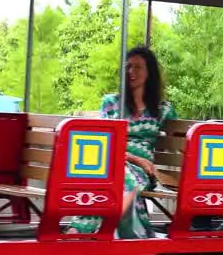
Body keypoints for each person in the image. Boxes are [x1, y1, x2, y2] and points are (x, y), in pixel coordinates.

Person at [68, 47, 176, 239]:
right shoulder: (111, 103)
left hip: (143, 171)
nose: (131, 72)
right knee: (111, 176)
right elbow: (105, 143)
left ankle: (83, 230)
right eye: (128, 67)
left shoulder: (163, 109)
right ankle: (100, 231)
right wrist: (136, 159)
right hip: (114, 161)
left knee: (117, 178)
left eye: (138, 67)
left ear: (149, 72)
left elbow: (177, 141)